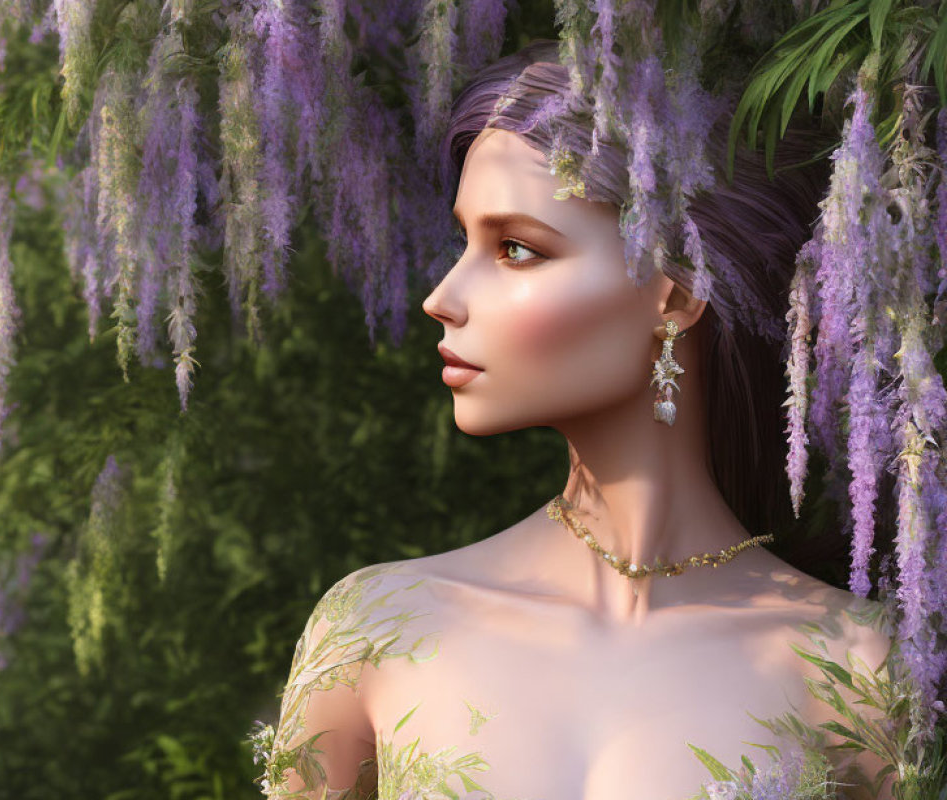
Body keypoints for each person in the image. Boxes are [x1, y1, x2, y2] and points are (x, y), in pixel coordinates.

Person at [254, 39, 896, 800]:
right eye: (467, 242)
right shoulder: (379, 629)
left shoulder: (860, 670)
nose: (442, 295)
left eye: (517, 249)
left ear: (677, 293)